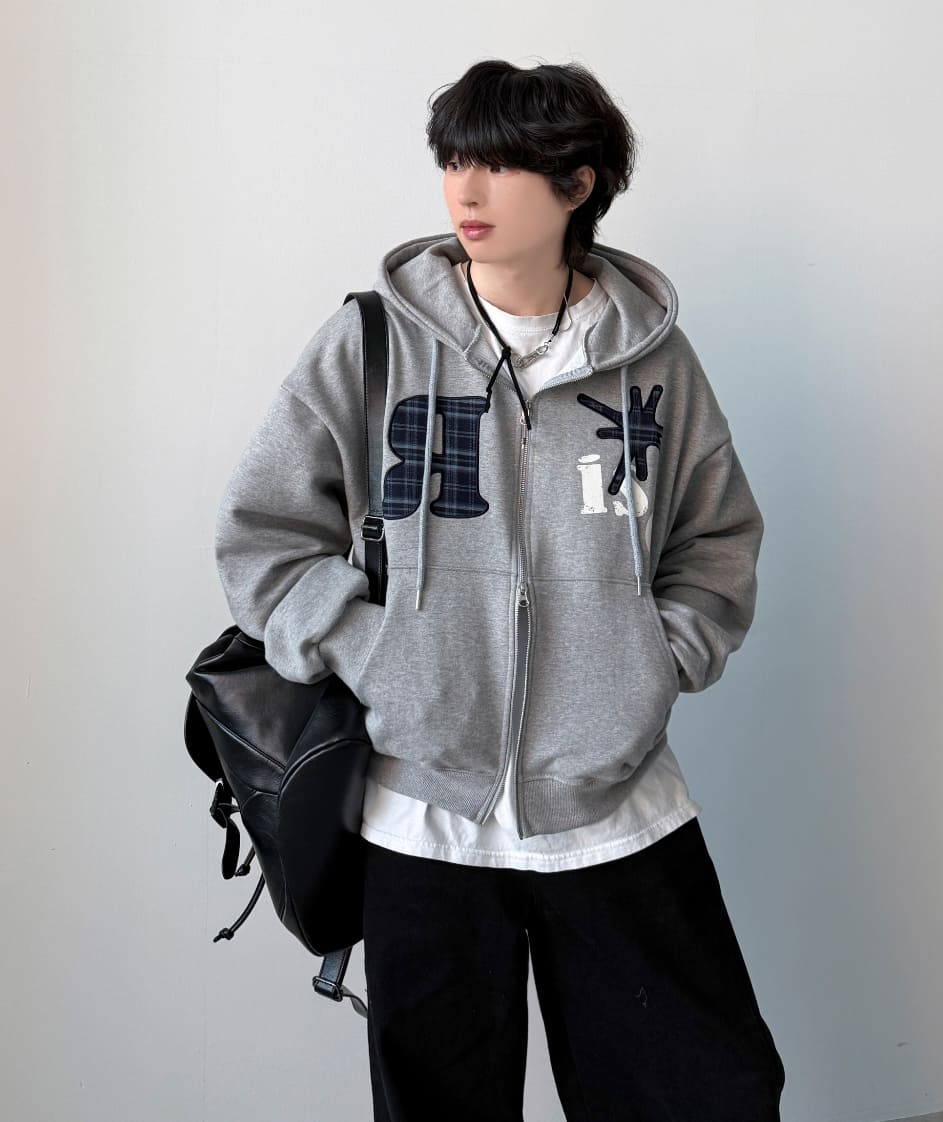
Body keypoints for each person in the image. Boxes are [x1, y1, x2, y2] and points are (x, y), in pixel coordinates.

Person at [214, 58, 785, 1121]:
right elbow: (265, 535)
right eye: (453, 161)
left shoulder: (654, 362)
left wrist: (650, 662)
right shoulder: (373, 344)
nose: (465, 190)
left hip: (612, 806)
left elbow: (716, 539)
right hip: (422, 812)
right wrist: (380, 653)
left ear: (576, 184)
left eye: (499, 165)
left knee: (704, 1091)